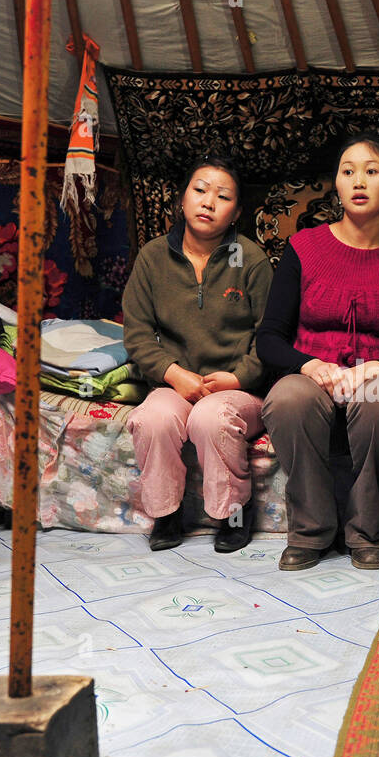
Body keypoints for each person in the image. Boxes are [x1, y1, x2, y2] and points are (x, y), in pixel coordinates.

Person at [257, 134, 379, 570]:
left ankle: (367, 530)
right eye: (348, 171)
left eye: (372, 171)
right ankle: (311, 530)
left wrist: (377, 367)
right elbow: (269, 339)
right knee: (288, 399)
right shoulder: (303, 249)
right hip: (313, 373)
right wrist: (310, 364)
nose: (359, 181)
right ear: (336, 185)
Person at [123, 154, 273, 553]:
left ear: (236, 211)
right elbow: (136, 334)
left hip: (237, 388)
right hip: (177, 381)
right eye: (200, 190)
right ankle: (166, 514)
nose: (208, 202)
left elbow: (272, 336)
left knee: (211, 418)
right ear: (182, 201)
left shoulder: (252, 260)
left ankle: (232, 514)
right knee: (153, 417)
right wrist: (173, 374)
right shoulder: (153, 258)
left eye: (223, 196)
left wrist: (239, 377)